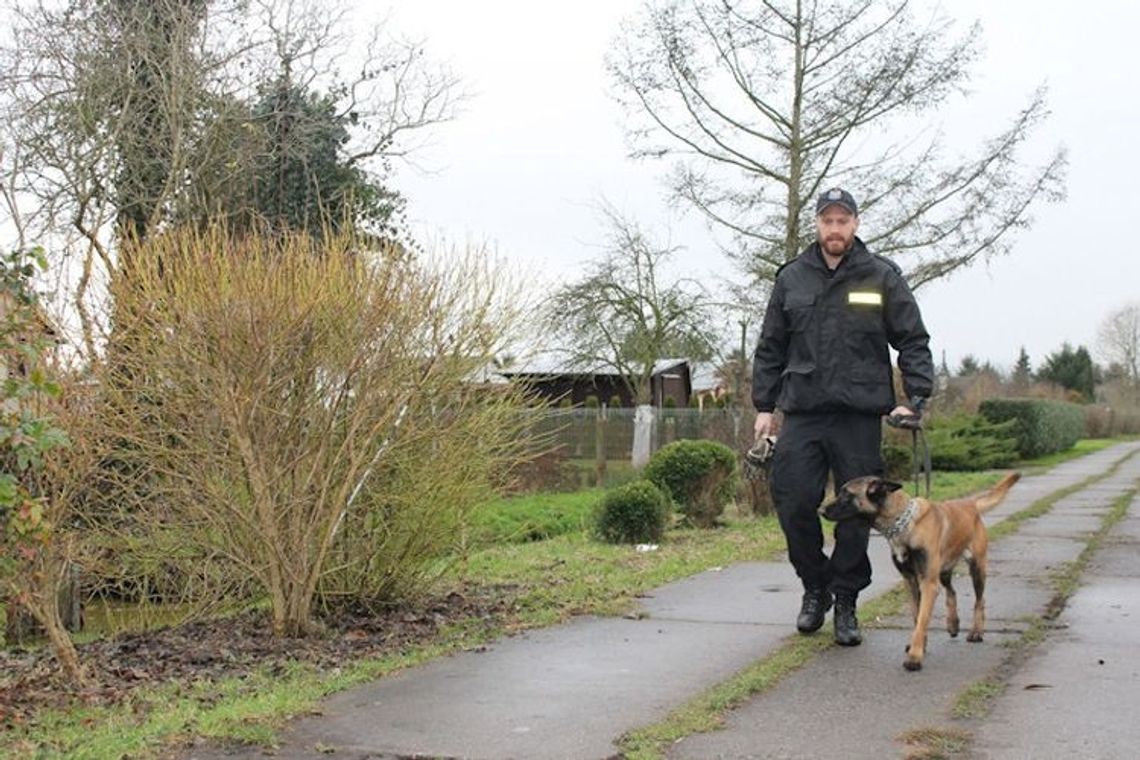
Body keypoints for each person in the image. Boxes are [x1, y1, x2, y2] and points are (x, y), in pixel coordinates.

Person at [751, 187, 934, 646]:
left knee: (856, 513)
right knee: (793, 500)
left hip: (857, 416)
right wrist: (763, 407)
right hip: (805, 411)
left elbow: (912, 339)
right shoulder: (792, 278)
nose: (835, 228)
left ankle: (847, 600)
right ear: (817, 224)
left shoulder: (881, 276)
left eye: (843, 220)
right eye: (828, 220)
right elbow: (771, 346)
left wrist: (915, 397)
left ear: (855, 224)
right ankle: (816, 587)